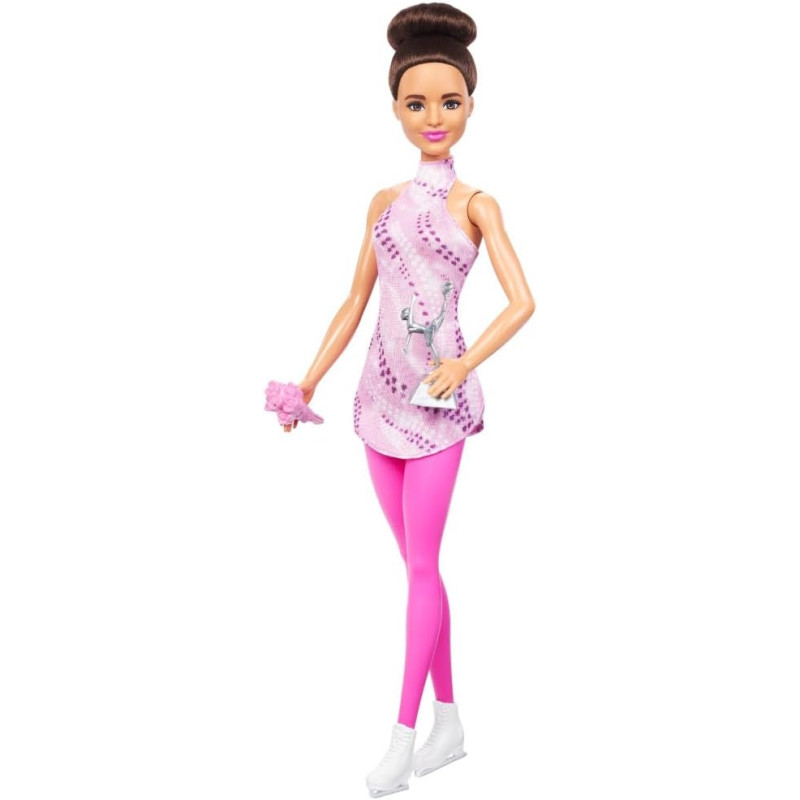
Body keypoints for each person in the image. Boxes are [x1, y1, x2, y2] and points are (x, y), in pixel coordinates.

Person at [280, 3, 535, 795]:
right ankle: (449, 721)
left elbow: (523, 302)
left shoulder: (477, 204)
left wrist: (464, 364)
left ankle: (402, 737)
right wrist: (309, 379)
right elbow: (355, 301)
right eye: (417, 102)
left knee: (422, 567)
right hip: (376, 402)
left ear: (471, 106)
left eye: (449, 102)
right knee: (419, 569)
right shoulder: (382, 201)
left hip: (438, 409)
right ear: (394, 107)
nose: (433, 117)